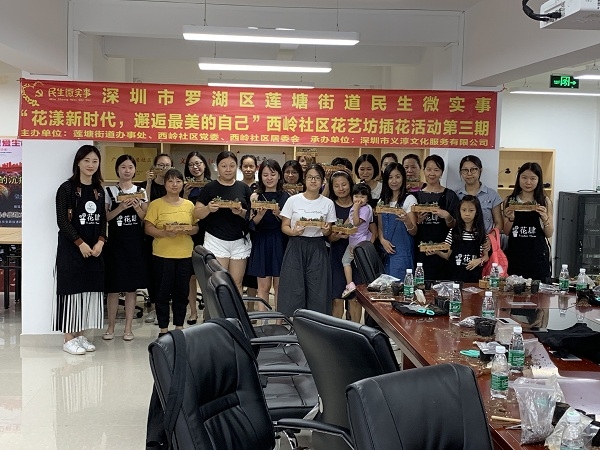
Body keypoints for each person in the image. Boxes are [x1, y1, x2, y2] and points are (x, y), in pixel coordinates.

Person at [53, 145, 107, 355]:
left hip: (94, 251)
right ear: (78, 162)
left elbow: (102, 220)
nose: (91, 165)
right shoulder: (66, 189)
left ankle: (81, 335)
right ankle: (68, 338)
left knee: (88, 291)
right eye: (86, 160)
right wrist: (80, 243)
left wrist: (101, 241)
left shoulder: (99, 190)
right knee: (71, 292)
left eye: (95, 161)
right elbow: (62, 221)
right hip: (72, 251)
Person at [144, 169, 199, 338]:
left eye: (178, 181)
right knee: (162, 293)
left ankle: (179, 327)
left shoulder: (189, 205)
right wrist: (164, 233)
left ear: (183, 184)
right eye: (170, 181)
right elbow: (148, 228)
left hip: (185, 255)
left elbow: (196, 228)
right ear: (165, 184)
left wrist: (188, 230)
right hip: (162, 255)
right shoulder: (156, 204)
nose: (174, 185)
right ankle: (163, 329)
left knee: (181, 293)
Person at [279, 163, 337, 316]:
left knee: (318, 289)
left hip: (317, 247)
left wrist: (326, 230)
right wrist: (293, 232)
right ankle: (294, 324)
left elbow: (329, 230)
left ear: (322, 181)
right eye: (310, 177)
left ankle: (315, 325)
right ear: (305, 179)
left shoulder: (328, 203)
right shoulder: (293, 200)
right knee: (293, 288)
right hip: (295, 246)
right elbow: (284, 226)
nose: (313, 181)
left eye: (317, 178)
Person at [103, 154, 148, 342]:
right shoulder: (109, 190)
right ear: (117, 170)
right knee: (113, 288)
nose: (127, 170)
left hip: (134, 245)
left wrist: (137, 208)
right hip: (115, 245)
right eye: (123, 167)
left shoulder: (141, 191)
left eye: (130, 167)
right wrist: (121, 207)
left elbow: (146, 218)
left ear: (135, 170)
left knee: (131, 288)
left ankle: (128, 328)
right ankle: (111, 327)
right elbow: (106, 217)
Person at [195, 151, 252, 293]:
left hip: (240, 240)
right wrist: (208, 208)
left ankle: (235, 308)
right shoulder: (209, 187)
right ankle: (219, 309)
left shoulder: (243, 187)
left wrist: (240, 212)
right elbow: (196, 213)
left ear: (237, 167)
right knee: (219, 282)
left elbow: (251, 215)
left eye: (232, 165)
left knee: (237, 282)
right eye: (224, 166)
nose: (228, 169)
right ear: (217, 167)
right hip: (216, 239)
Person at [247, 159, 290, 310]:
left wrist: (279, 214)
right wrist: (260, 214)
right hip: (262, 241)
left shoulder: (286, 197)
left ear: (279, 176)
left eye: (273, 174)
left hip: (280, 242)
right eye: (265, 175)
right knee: (263, 287)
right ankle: (262, 320)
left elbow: (290, 224)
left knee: (280, 287)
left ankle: (279, 320)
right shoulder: (255, 197)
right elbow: (251, 225)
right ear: (260, 177)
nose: (269, 178)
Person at [502, 162, 553, 281]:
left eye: (533, 178)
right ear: (518, 178)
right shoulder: (509, 200)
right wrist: (511, 219)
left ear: (539, 180)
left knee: (539, 291)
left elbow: (549, 233)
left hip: (538, 257)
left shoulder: (544, 201)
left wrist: (545, 218)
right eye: (524, 177)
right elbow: (506, 232)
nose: (528, 182)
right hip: (515, 256)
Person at [414, 155, 459, 280]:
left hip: (443, 250)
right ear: (423, 171)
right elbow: (411, 226)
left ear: (442, 172)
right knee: (422, 282)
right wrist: (418, 221)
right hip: (421, 249)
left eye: (436, 170)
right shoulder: (416, 196)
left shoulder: (450, 195)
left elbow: (456, 225)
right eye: (428, 169)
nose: (432, 173)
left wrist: (447, 216)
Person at [328, 171, 363, 322]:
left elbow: (372, 229)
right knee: (337, 299)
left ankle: (356, 332)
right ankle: (336, 333)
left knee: (355, 299)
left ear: (351, 185)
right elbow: (328, 235)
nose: (341, 188)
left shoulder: (360, 204)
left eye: (344, 184)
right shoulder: (330, 205)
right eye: (336, 186)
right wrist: (335, 236)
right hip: (337, 254)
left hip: (357, 255)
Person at [142, 153, 173, 324]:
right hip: (152, 234)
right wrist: (148, 183)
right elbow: (145, 207)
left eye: (167, 165)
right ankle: (154, 307)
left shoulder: (173, 185)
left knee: (168, 273)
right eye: (160, 165)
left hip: (172, 235)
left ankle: (167, 306)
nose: (163, 168)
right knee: (153, 273)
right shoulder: (147, 185)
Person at [182, 151, 211, 325]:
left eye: (198, 163)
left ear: (204, 165)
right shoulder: (184, 185)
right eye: (191, 164)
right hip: (191, 232)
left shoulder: (212, 185)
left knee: (208, 275)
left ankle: (208, 311)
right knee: (191, 276)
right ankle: (192, 311)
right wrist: (185, 194)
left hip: (209, 232)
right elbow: (180, 210)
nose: (195, 167)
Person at [378, 163, 418, 279]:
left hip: (402, 253)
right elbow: (380, 227)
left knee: (400, 285)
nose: (394, 181)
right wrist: (382, 240)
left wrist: (407, 220)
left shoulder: (409, 199)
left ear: (403, 178)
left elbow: (414, 231)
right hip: (385, 252)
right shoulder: (382, 201)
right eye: (390, 177)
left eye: (397, 177)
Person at [438, 195, 489, 283]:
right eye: (464, 210)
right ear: (459, 211)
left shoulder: (481, 234)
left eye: (471, 210)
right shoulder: (453, 232)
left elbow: (486, 257)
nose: (467, 214)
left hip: (473, 278)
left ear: (477, 212)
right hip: (454, 277)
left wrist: (479, 260)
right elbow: (447, 256)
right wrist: (436, 251)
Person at [341, 183, 373, 298]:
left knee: (354, 263)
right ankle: (351, 284)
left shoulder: (365, 209)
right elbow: (349, 222)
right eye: (356, 196)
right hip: (353, 241)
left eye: (362, 197)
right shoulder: (355, 207)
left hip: (360, 243)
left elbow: (355, 222)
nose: (359, 199)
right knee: (347, 261)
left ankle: (361, 285)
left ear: (367, 199)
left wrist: (356, 208)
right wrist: (341, 229)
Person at [455, 155, 503, 233]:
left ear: (480, 170)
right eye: (465, 170)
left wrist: (490, 238)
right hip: (462, 239)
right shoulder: (456, 195)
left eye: (473, 169)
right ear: (460, 172)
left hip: (486, 239)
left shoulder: (492, 195)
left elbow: (499, 223)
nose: (469, 173)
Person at [239, 155, 259, 299]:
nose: (248, 169)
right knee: (238, 274)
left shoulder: (260, 187)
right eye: (245, 166)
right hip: (238, 232)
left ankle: (251, 306)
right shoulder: (236, 186)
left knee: (252, 273)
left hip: (256, 232)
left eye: (251, 166)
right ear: (240, 168)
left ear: (256, 168)